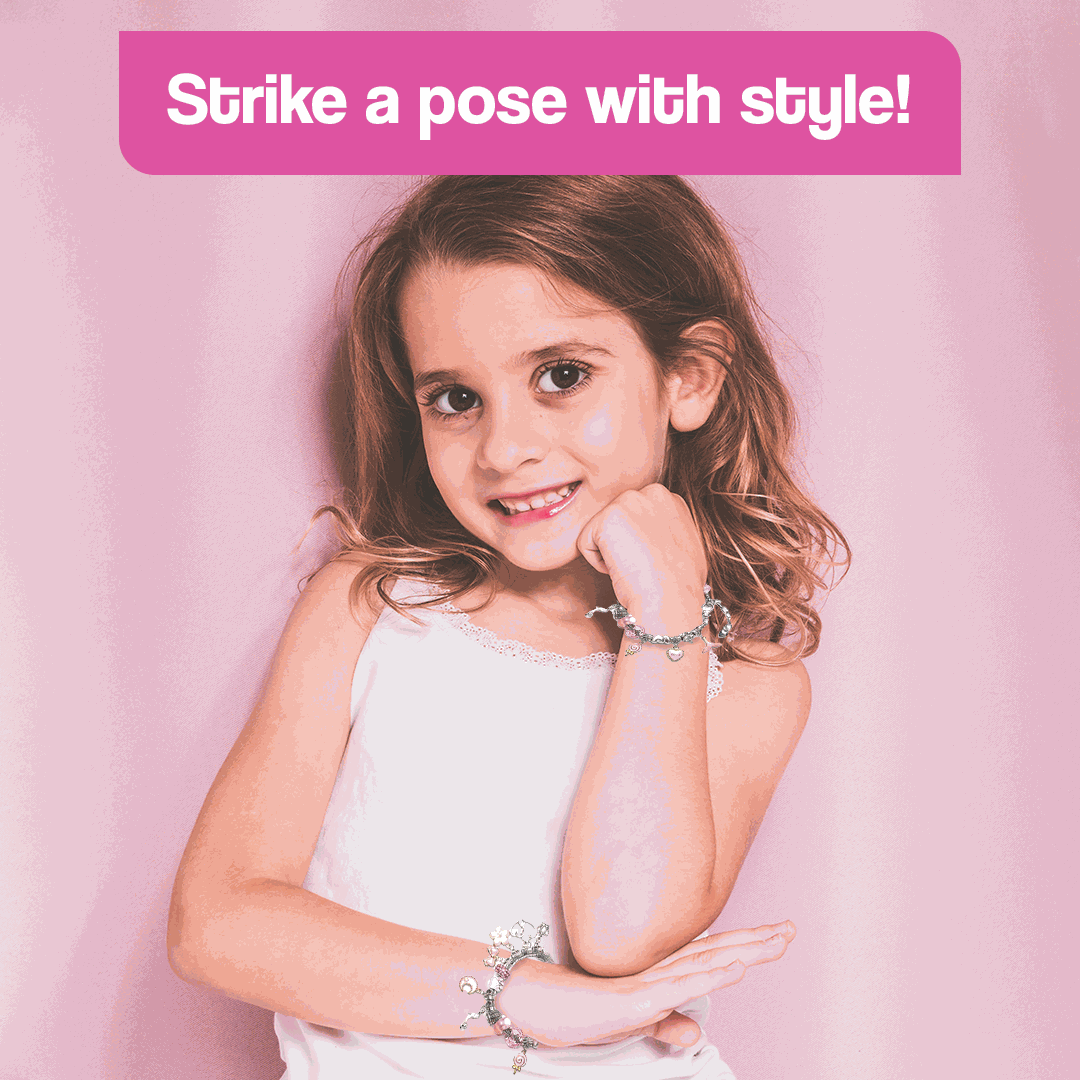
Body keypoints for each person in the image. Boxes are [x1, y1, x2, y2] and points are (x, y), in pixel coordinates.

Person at [167, 175, 848, 1080]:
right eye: (454, 398)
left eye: (561, 377)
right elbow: (220, 921)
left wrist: (667, 616)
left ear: (688, 378)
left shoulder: (747, 679)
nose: (503, 447)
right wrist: (527, 999)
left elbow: (621, 931)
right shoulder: (375, 608)